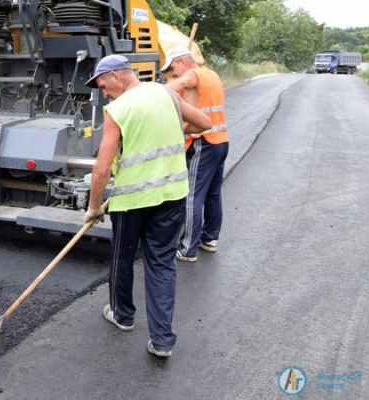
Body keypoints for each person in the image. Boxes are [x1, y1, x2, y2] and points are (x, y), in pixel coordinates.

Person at [84, 55, 212, 357]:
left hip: (131, 200)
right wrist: (171, 130)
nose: (104, 92)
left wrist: (93, 206)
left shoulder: (117, 109)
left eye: (104, 85)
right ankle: (163, 340)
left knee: (122, 256)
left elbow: (102, 168)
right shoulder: (165, 92)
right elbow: (204, 123)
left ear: (116, 77)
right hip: (171, 195)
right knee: (162, 263)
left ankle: (122, 315)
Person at [162, 46, 229, 263]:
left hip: (203, 142)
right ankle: (209, 239)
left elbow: (178, 85)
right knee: (212, 194)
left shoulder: (192, 75)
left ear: (182, 61)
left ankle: (187, 248)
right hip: (220, 140)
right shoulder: (212, 75)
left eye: (173, 69)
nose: (173, 75)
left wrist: (153, 93)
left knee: (192, 196)